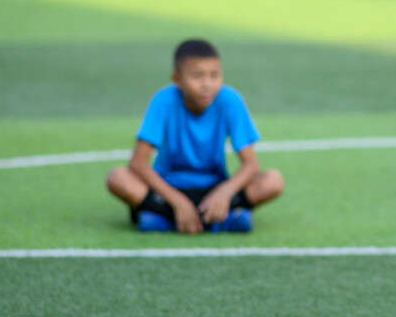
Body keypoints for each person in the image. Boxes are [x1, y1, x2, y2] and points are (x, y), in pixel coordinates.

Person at [105, 39, 284, 233]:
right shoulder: (163, 100)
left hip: (213, 190)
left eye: (215, 75)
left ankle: (162, 220)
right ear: (177, 79)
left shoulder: (230, 100)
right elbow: (137, 163)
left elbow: (251, 164)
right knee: (117, 178)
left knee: (273, 181)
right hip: (168, 190)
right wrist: (178, 201)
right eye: (197, 76)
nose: (207, 84)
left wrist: (225, 191)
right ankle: (222, 221)